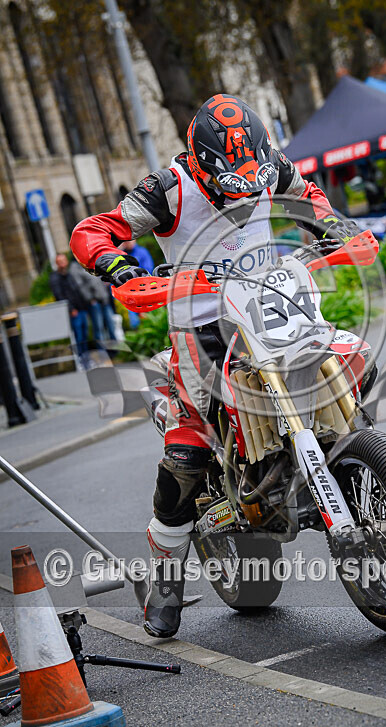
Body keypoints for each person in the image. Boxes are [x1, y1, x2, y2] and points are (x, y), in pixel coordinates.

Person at [70, 94, 358, 639]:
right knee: (188, 448)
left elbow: (310, 196)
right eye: (231, 186)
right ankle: (166, 580)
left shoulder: (270, 166)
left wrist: (332, 227)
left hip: (271, 303)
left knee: (343, 359)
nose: (243, 197)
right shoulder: (168, 189)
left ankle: (351, 461)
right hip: (201, 325)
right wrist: (122, 268)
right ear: (201, 163)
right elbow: (93, 230)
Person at [49, 253, 91, 367]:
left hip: (81, 308)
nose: (62, 263)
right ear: (56, 263)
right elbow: (59, 296)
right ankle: (82, 360)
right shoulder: (55, 278)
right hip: (73, 311)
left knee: (85, 334)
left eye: (64, 260)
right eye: (59, 261)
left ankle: (87, 358)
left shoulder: (69, 274)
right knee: (78, 336)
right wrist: (71, 309)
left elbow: (77, 291)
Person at [119, 240, 155, 328]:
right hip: (128, 293)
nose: (128, 243)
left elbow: (148, 269)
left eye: (129, 240)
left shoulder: (142, 252)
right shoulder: (122, 254)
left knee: (146, 316)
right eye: (125, 241)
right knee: (133, 320)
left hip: (143, 290)